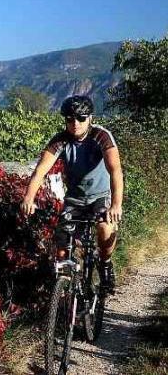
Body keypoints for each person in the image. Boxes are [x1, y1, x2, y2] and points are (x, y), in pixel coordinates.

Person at [20, 95, 123, 293]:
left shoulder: (101, 136)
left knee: (104, 228)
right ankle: (64, 295)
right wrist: (28, 198)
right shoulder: (60, 140)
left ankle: (105, 263)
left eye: (81, 118)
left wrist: (116, 204)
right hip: (74, 198)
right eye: (70, 119)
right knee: (63, 239)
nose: (75, 123)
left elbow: (115, 170)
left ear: (90, 118)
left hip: (100, 195)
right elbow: (40, 171)